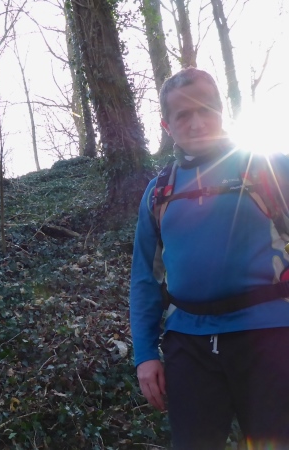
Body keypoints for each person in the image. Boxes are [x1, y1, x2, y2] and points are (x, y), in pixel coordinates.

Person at [130, 67, 289, 449]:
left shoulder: (270, 169)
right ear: (167, 126)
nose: (197, 123)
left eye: (206, 109)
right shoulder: (158, 192)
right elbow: (145, 279)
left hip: (270, 337)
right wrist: (145, 354)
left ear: (221, 111)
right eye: (183, 114)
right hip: (189, 346)